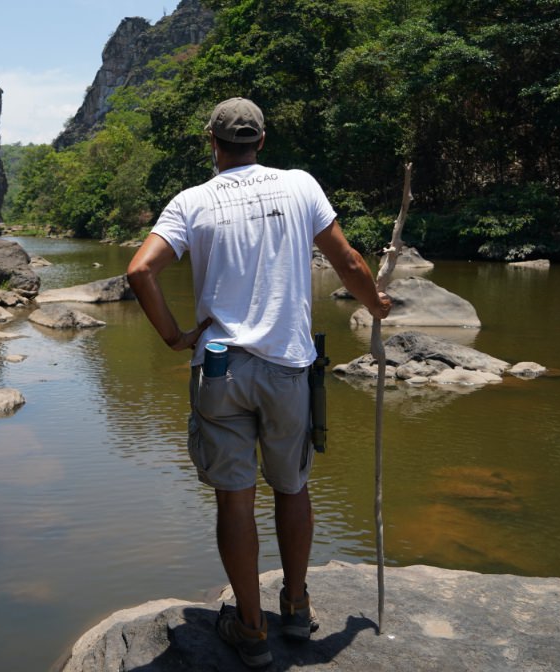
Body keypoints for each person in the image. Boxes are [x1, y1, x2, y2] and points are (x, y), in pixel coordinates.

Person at [126, 97, 391, 668]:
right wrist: (377, 305)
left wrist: (175, 337)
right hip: (288, 367)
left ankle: (250, 629)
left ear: (213, 144)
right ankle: (295, 608)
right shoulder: (300, 186)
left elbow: (140, 270)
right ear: (262, 141)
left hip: (220, 365)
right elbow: (347, 261)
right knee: (292, 486)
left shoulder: (191, 201)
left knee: (235, 497)